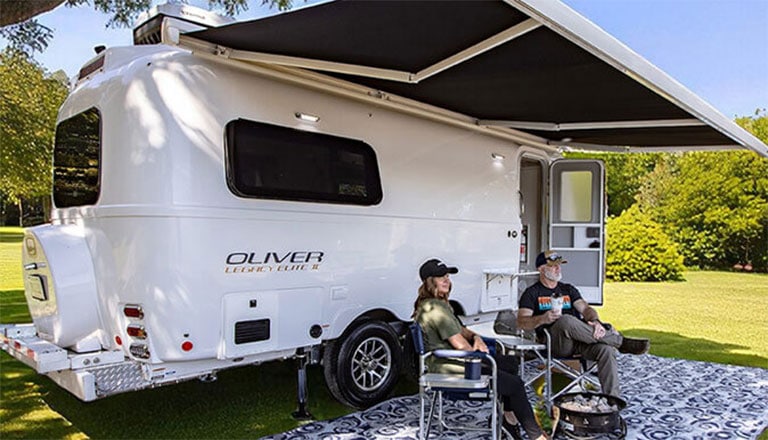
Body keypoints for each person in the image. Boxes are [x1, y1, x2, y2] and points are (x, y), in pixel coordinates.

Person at [414, 258, 548, 440]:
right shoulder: (434, 309)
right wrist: (479, 353)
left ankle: (508, 420)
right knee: (515, 385)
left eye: (447, 276)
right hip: (448, 366)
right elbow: (461, 345)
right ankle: (536, 436)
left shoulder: (440, 304)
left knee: (509, 363)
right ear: (430, 281)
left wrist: (477, 338)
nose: (446, 280)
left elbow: (463, 331)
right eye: (440, 277)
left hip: (455, 360)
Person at [517, 250, 650, 398]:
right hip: (555, 343)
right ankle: (620, 341)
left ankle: (612, 401)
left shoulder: (568, 289)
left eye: (559, 265)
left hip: (580, 340)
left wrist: (596, 322)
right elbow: (522, 322)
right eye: (553, 266)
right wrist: (543, 318)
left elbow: (586, 309)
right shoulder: (531, 293)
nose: (558, 268)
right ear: (541, 269)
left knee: (606, 350)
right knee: (565, 320)